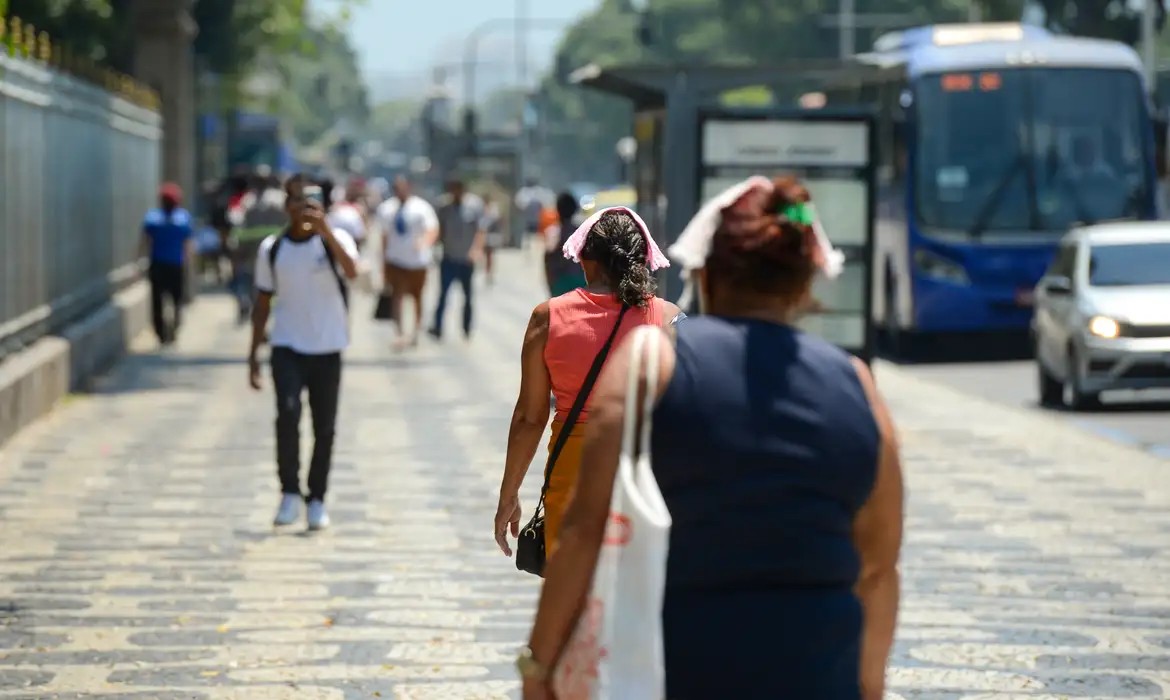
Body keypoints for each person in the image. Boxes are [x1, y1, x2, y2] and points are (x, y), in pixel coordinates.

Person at [518, 176, 903, 699]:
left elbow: (585, 531)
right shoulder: (858, 385)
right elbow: (878, 567)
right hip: (816, 671)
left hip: (681, 666)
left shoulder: (651, 365)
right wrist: (869, 686)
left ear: (706, 271)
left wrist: (540, 667)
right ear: (805, 282)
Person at [494, 206, 681, 560]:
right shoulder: (671, 319)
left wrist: (509, 494)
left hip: (573, 476)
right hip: (645, 476)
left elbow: (529, 418)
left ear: (586, 260)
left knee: (574, 596)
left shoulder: (546, 318)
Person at [248, 173, 360, 531]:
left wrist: (326, 231)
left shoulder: (335, 239)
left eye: (311, 201)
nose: (304, 208)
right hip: (287, 345)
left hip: (327, 346)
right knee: (287, 414)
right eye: (297, 200)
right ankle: (289, 492)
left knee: (324, 427)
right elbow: (262, 301)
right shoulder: (272, 248)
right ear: (286, 205)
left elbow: (353, 271)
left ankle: (316, 499)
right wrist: (253, 353)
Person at [377, 175, 439, 350]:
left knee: (417, 297)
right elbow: (383, 237)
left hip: (417, 262)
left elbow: (432, 229)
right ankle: (399, 333)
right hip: (396, 260)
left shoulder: (421, 208)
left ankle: (416, 331)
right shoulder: (386, 209)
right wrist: (383, 262)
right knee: (397, 297)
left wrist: (424, 243)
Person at [429, 178, 485, 341]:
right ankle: (437, 327)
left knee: (467, 296)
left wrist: (476, 250)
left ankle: (466, 327)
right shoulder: (444, 207)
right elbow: (439, 230)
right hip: (449, 257)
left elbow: (480, 231)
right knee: (443, 294)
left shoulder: (474, 206)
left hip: (466, 259)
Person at [139, 182, 195, 346]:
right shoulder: (183, 218)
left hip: (158, 264)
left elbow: (144, 241)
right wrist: (189, 264)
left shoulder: (153, 218)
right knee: (176, 299)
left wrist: (139, 260)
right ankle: (175, 326)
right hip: (176, 265)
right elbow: (188, 244)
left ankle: (161, 333)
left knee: (157, 300)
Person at [543, 192, 588, 297]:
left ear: (558, 210)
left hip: (559, 284)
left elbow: (548, 257)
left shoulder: (553, 232)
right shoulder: (581, 231)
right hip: (580, 283)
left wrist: (550, 284)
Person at [481, 192, 504, 285]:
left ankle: (489, 273)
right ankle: (486, 271)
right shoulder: (480, 209)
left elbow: (497, 220)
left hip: (491, 234)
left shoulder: (493, 209)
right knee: (485, 255)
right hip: (483, 234)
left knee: (490, 255)